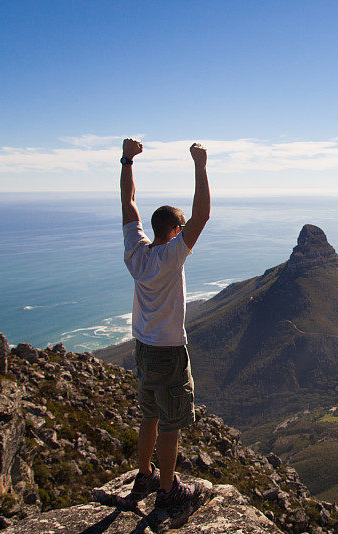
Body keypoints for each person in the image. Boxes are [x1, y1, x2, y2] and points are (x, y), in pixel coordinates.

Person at [119, 138, 210, 508]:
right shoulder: (173, 256)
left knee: (149, 415)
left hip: (141, 350)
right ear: (175, 231)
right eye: (182, 230)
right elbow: (202, 216)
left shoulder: (136, 252)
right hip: (169, 353)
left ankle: (145, 474)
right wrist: (200, 165)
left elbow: (128, 204)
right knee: (170, 423)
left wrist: (127, 161)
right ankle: (168, 490)